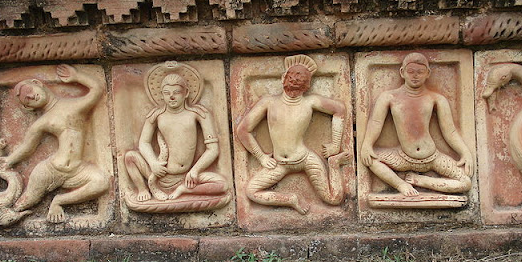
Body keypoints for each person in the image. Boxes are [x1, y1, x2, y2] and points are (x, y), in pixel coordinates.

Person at [0, 64, 109, 223]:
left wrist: (76, 76)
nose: (31, 96)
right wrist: (8, 161)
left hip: (78, 169)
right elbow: (27, 147)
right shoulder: (42, 122)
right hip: (51, 170)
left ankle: (59, 201)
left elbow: (97, 89)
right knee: (26, 201)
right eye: (27, 100)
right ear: (28, 108)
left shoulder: (75, 106)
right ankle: (0, 216)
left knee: (101, 182)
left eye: (29, 91)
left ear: (37, 83)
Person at [236, 54, 349, 214]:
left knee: (334, 198)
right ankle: (290, 199)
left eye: (300, 78)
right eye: (292, 76)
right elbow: (242, 130)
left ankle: (334, 164)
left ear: (307, 86)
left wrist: (335, 145)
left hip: (305, 158)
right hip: (279, 163)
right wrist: (261, 157)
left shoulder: (310, 102)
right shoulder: (269, 102)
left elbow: (340, 110)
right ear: (283, 78)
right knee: (251, 191)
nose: (295, 80)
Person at [360, 52, 473, 196]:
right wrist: (367, 144)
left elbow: (450, 131)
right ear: (402, 72)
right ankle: (401, 184)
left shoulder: (436, 99)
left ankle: (421, 181)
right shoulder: (389, 97)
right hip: (403, 157)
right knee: (370, 160)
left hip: (432, 158)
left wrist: (465, 152)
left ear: (428, 73)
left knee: (465, 183)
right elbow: (376, 122)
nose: (415, 76)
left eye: (420, 72)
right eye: (411, 71)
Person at [124, 72, 227, 202]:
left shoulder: (198, 114)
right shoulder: (156, 116)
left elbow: (213, 149)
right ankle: (143, 189)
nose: (171, 97)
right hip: (159, 175)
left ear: (186, 93)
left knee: (223, 184)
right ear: (161, 95)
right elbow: (144, 143)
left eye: (177, 92)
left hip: (188, 177)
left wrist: (195, 170)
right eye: (167, 93)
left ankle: (183, 190)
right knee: (130, 157)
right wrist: (153, 163)